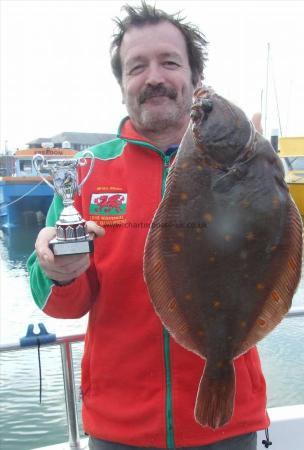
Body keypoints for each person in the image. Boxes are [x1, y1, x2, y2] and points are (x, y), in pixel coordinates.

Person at [27, 2, 269, 449]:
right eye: (137, 66)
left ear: (195, 80)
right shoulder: (84, 172)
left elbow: (273, 251)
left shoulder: (243, 159)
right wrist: (60, 272)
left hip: (228, 420)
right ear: (122, 85)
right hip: (119, 428)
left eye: (170, 62)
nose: (154, 76)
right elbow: (65, 306)